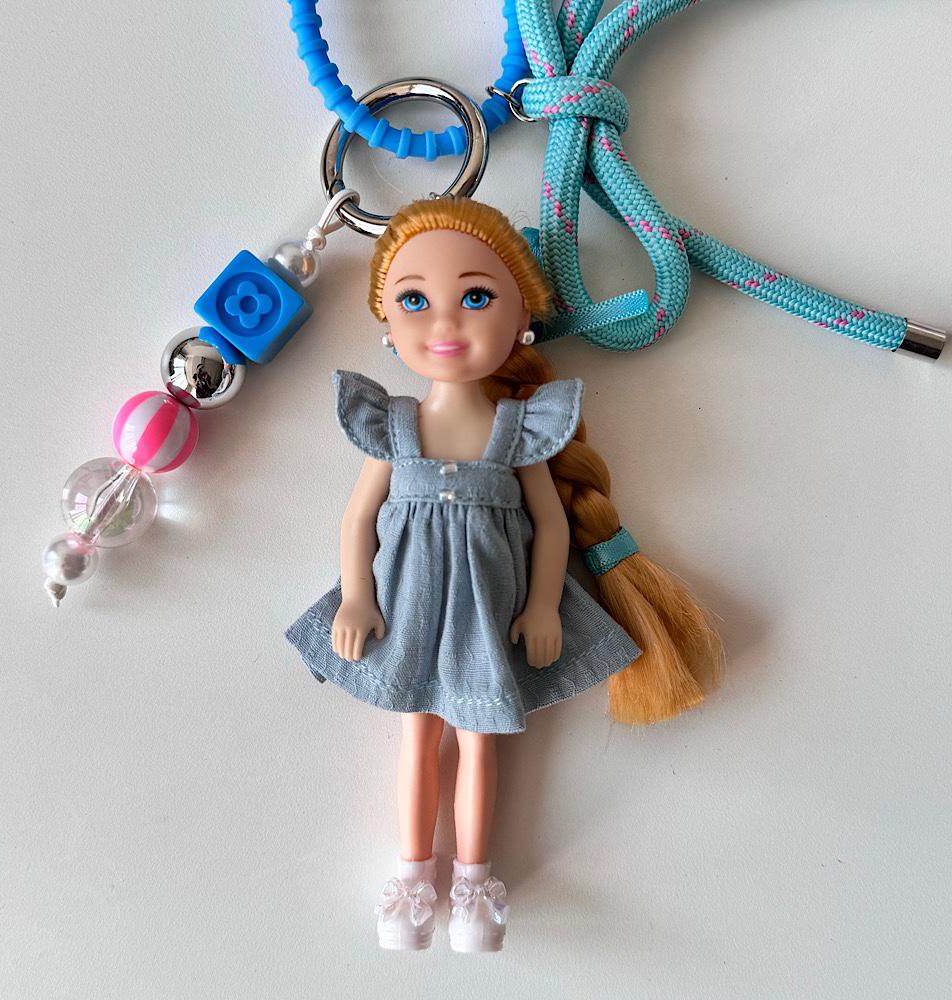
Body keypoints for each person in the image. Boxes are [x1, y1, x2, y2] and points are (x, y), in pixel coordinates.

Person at [285, 196, 722, 952]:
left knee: (480, 741)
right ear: (386, 322)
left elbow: (551, 525)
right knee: (417, 739)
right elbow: (359, 520)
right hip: (408, 610)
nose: (444, 323)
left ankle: (474, 885)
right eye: (414, 300)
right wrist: (356, 596)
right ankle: (413, 880)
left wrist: (545, 605)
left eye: (476, 297)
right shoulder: (392, 426)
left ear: (523, 317)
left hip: (490, 617)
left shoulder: (519, 431)